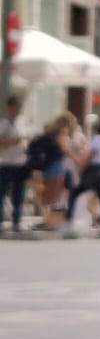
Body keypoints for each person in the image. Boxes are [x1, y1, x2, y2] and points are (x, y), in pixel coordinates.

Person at [70, 118, 100, 234]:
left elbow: (91, 154)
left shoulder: (99, 139)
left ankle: (69, 218)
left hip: (95, 170)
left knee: (76, 192)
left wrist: (81, 166)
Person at [0, 94, 27, 236]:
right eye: (13, 108)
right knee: (2, 193)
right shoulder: (3, 123)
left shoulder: (22, 122)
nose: (15, 110)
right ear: (9, 108)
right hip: (6, 163)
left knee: (19, 194)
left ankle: (17, 221)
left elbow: (27, 138)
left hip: (20, 163)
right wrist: (12, 141)